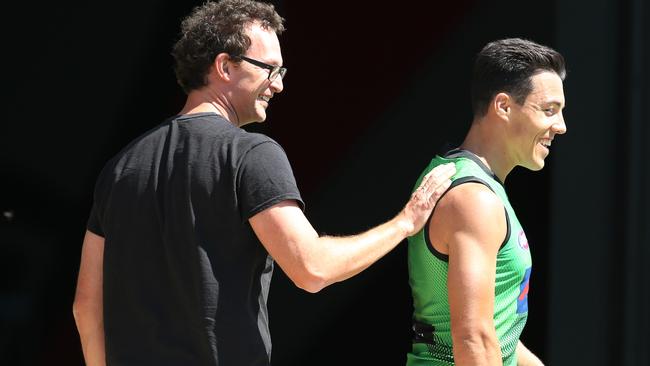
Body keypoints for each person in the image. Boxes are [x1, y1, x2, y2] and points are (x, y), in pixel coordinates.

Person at [72, 1, 456, 365]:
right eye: (270, 69)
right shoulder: (250, 154)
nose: (279, 85)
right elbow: (311, 268)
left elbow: (86, 307)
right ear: (224, 66)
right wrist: (405, 222)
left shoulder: (121, 167)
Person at [406, 38, 567, 366]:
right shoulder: (473, 199)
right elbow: (474, 340)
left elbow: (496, 328)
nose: (561, 126)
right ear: (503, 106)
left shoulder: (476, 183)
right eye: (549, 110)